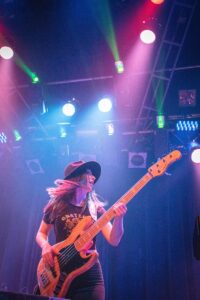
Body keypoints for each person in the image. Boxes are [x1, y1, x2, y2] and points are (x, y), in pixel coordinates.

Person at [36, 160, 127, 300]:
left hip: (89, 274)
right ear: (77, 177)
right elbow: (41, 233)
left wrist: (119, 219)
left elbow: (114, 240)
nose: (93, 178)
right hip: (60, 272)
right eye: (89, 173)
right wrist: (45, 246)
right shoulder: (56, 205)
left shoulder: (95, 208)